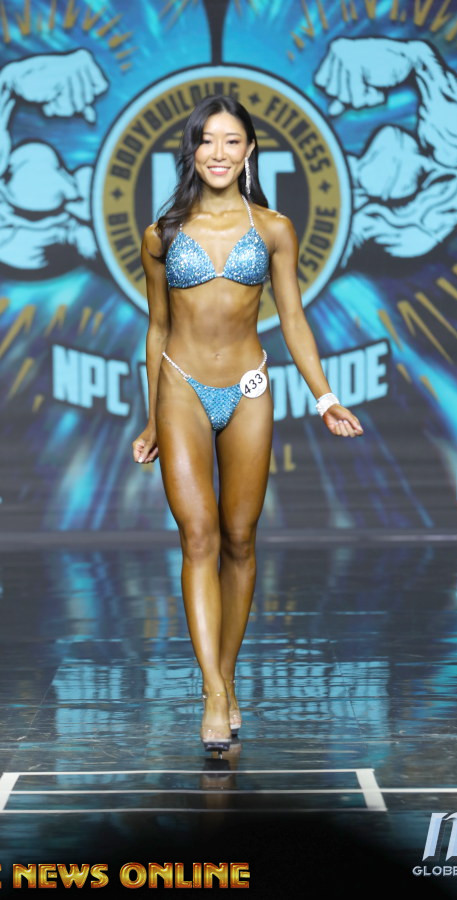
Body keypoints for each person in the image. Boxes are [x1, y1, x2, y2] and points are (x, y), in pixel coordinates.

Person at [132, 95, 363, 753]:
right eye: (207, 140)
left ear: (249, 151)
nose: (218, 153)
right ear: (192, 149)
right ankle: (212, 691)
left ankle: (227, 675)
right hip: (180, 387)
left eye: (231, 141)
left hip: (250, 389)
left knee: (239, 539)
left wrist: (324, 397)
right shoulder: (161, 234)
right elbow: (157, 328)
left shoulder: (275, 229)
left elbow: (293, 320)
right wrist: (151, 416)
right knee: (198, 536)